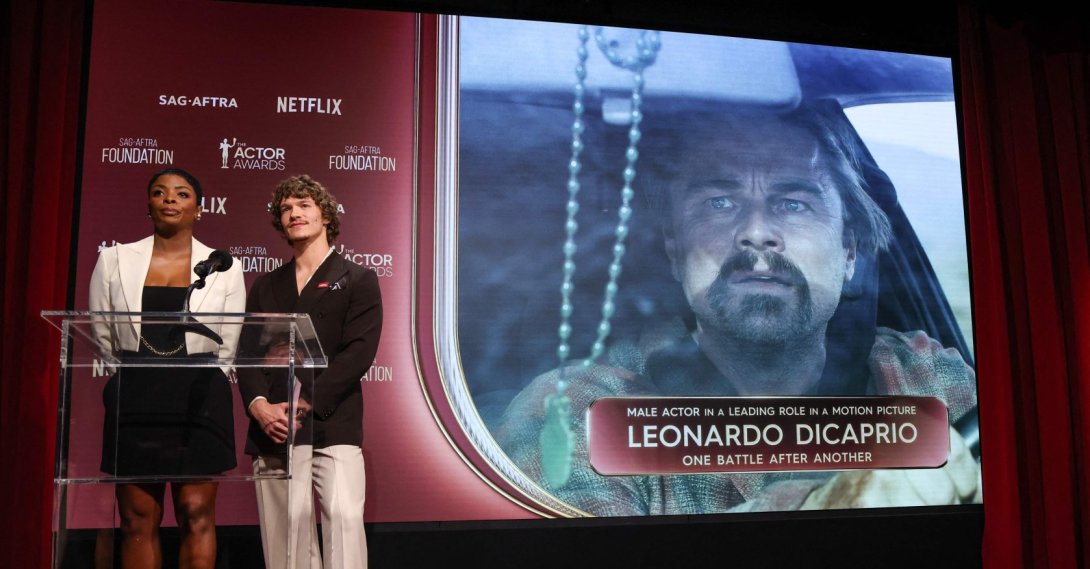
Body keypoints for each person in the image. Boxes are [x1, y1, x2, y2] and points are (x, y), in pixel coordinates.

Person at [494, 101, 981, 515]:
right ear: (674, 251)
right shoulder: (575, 413)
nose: (755, 231)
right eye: (719, 203)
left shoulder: (924, 376)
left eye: (793, 203)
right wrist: (830, 512)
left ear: (849, 251)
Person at [89, 167, 246, 568]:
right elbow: (102, 333)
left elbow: (227, 345)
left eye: (181, 194)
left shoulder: (224, 267)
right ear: (149, 205)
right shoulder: (114, 259)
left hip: (199, 394)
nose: (170, 199)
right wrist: (132, 371)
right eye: (159, 193)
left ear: (199, 209)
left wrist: (201, 373)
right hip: (136, 393)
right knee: (137, 518)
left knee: (196, 513)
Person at [238, 174, 382, 569]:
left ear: (326, 215)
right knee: (286, 541)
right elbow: (246, 353)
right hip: (274, 428)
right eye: (285, 208)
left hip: (332, 423)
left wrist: (308, 402)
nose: (293, 213)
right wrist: (260, 407)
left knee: (344, 525)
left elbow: (359, 352)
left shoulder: (357, 279)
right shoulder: (266, 285)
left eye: (303, 205)